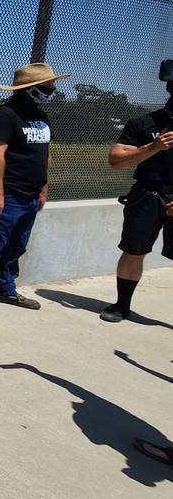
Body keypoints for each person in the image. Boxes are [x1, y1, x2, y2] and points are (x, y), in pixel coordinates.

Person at [0, 62, 68, 317]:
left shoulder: (41, 117)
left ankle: (4, 288)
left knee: (17, 246)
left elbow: (44, 155)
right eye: (47, 86)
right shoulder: (5, 115)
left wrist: (43, 187)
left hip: (31, 195)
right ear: (29, 89)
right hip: (7, 195)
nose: (51, 90)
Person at [100, 59, 173, 322]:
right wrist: (153, 147)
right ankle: (121, 305)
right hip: (147, 195)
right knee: (134, 251)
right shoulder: (144, 124)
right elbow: (116, 159)